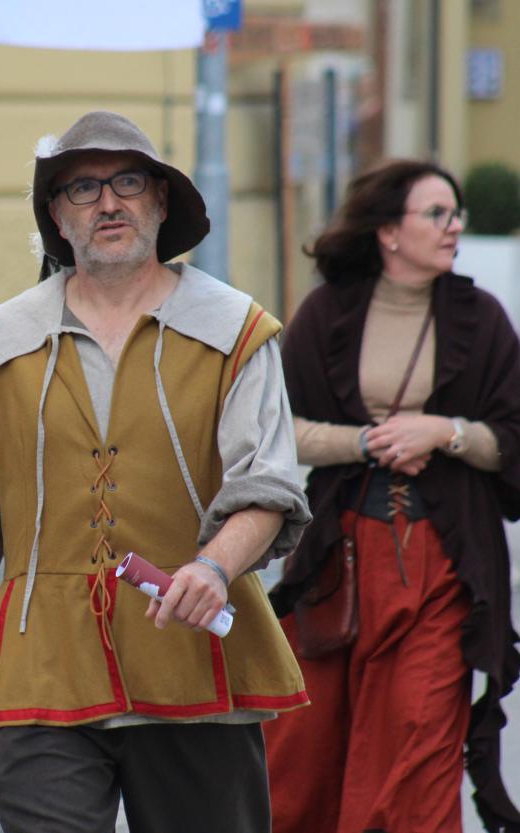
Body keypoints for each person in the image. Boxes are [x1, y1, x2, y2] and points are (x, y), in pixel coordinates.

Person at [0, 110, 312, 833]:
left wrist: (213, 568)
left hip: (193, 664)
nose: (108, 203)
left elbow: (267, 486)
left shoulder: (235, 330)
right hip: (42, 671)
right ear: (57, 218)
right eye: (83, 188)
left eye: (127, 182)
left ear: (160, 201)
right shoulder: (1, 341)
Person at [265, 160, 520, 833]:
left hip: (444, 564)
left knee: (414, 748)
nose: (454, 226)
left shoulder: (482, 320)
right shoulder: (328, 313)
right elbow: (278, 429)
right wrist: (366, 441)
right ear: (388, 231)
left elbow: (512, 437)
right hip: (337, 559)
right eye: (437, 213)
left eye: (457, 213)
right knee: (301, 757)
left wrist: (447, 432)